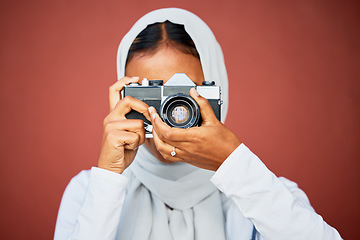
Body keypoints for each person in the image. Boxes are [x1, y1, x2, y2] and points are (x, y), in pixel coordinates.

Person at [54, 8, 342, 240]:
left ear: (218, 92)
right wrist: (108, 178)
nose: (169, 114)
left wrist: (233, 164)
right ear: (124, 96)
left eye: (182, 96)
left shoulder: (265, 192)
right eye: (150, 95)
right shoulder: (89, 191)